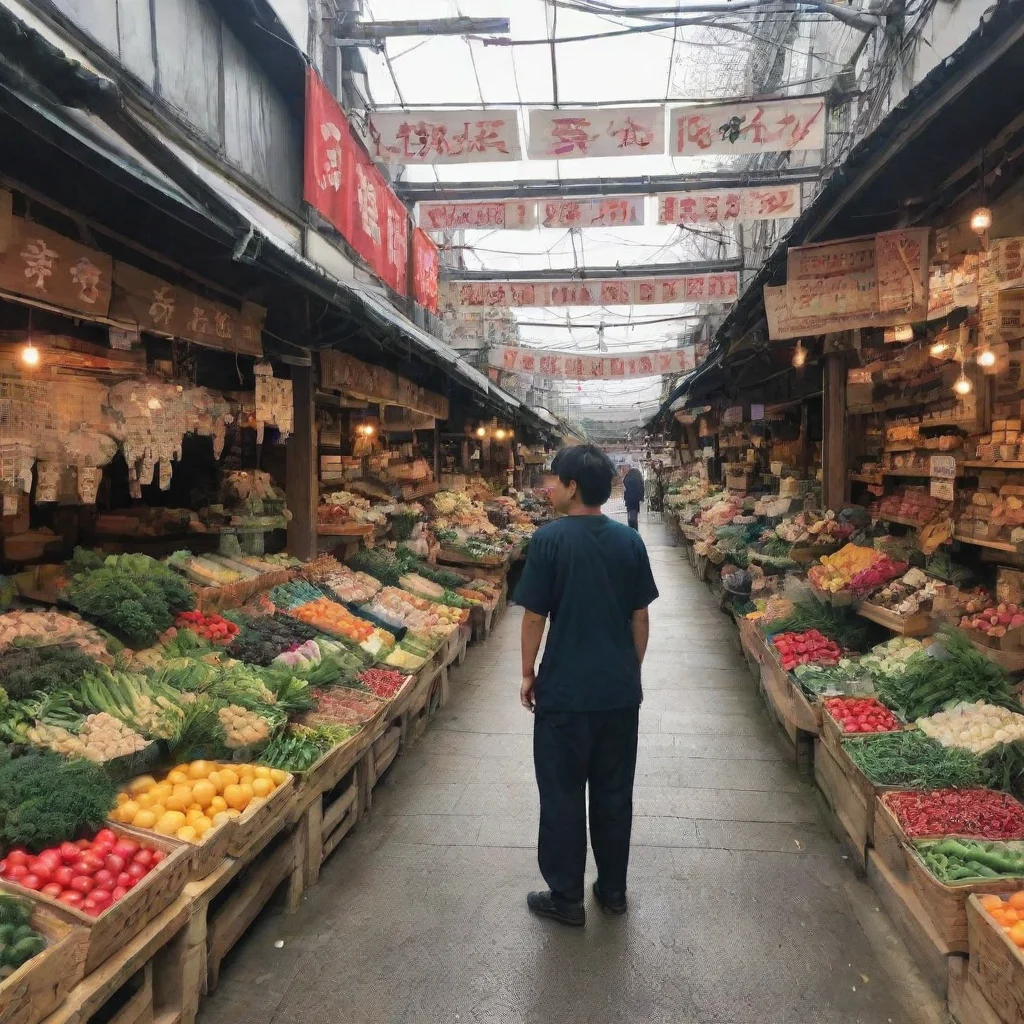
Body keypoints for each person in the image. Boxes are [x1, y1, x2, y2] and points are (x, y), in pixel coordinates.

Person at [516, 444, 659, 927]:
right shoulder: (629, 542)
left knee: (561, 792)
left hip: (564, 693)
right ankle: (613, 891)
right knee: (614, 792)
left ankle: (566, 897)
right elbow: (640, 617)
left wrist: (528, 672)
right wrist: (628, 668)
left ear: (573, 486)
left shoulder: (548, 541)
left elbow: (535, 615)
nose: (549, 486)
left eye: (555, 479)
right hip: (618, 694)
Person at [622, 462, 645, 530]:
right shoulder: (635, 474)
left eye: (624, 468)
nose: (623, 470)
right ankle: (634, 530)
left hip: (631, 499)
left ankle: (633, 530)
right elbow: (641, 487)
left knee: (632, 517)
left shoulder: (631, 475)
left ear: (628, 467)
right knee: (633, 515)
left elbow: (627, 485)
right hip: (634, 500)